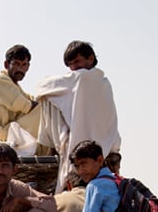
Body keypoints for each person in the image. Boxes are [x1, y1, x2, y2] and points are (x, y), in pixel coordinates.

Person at [36, 40, 121, 193]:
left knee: (47, 99)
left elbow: (41, 87)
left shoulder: (81, 78)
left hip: (80, 147)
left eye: (76, 62)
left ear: (90, 58)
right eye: (70, 65)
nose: (73, 68)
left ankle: (58, 142)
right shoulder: (104, 82)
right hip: (108, 147)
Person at [0, 45, 42, 150]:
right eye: (16, 64)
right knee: (43, 110)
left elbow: (32, 99)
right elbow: (27, 106)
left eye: (24, 65)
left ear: (28, 67)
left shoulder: (14, 85)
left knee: (48, 106)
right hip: (1, 135)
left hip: (10, 132)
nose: (20, 69)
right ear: (6, 64)